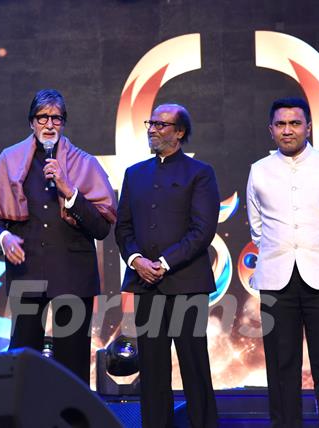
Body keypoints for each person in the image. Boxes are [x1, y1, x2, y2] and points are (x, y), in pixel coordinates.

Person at [0, 89, 116, 384]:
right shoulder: (9, 162)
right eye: (43, 117)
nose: (50, 124)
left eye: (56, 118)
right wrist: (4, 238)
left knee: (73, 361)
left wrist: (70, 192)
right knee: (23, 359)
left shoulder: (83, 164)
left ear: (64, 123)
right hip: (27, 273)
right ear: (32, 122)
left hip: (73, 277)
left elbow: (102, 227)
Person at [247, 97, 319, 428]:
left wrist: (317, 248)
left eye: (295, 123)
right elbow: (258, 227)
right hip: (275, 280)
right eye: (280, 124)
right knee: (281, 364)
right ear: (271, 130)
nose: (288, 130)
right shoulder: (259, 170)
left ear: (308, 127)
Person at [115, 104, 219, 427]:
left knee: (194, 367)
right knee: (153, 371)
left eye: (162, 124)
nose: (153, 129)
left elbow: (202, 230)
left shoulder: (200, 173)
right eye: (151, 123)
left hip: (186, 284)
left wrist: (162, 263)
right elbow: (123, 228)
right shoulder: (134, 174)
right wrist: (136, 260)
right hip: (146, 285)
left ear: (180, 132)